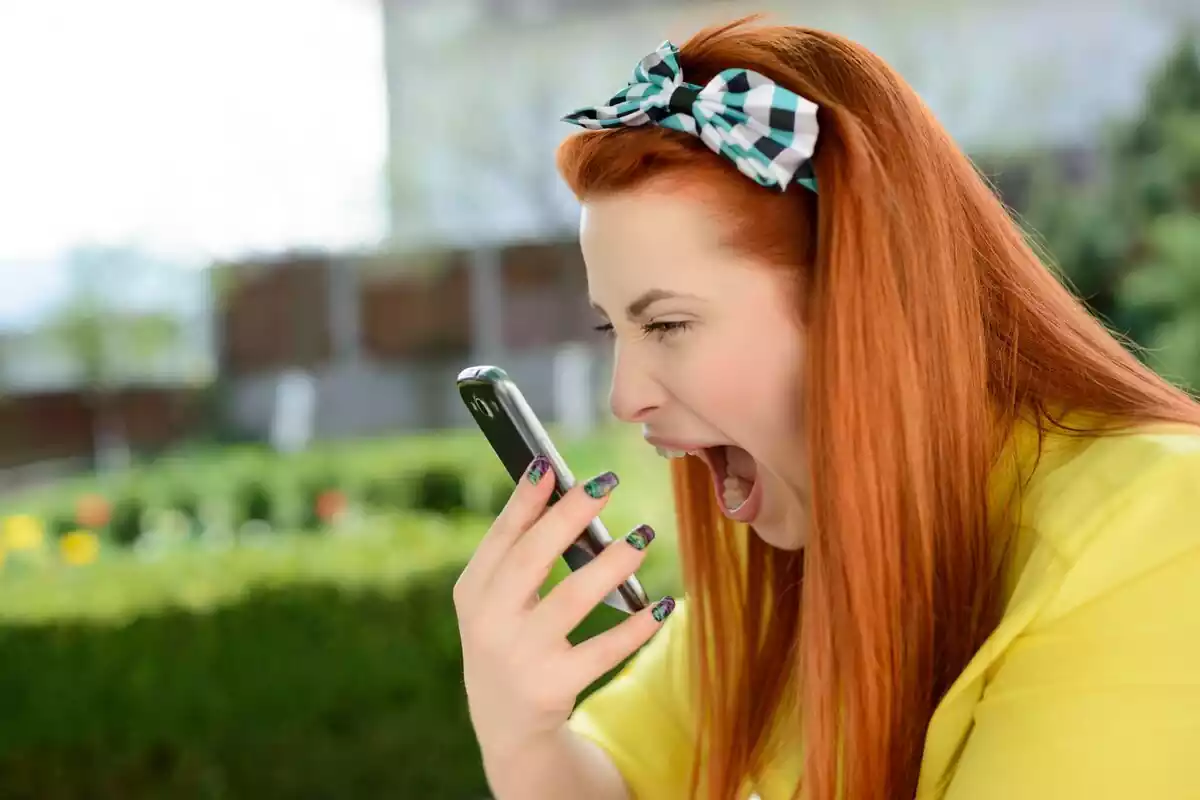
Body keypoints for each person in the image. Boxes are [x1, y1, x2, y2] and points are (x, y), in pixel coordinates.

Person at [451, 16, 1200, 800]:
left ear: (859, 299)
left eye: (667, 323)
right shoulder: (795, 561)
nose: (624, 395)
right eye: (614, 328)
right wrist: (520, 734)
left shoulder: (1154, 531)